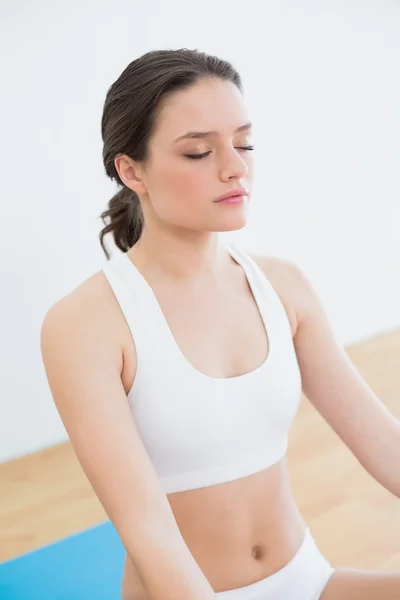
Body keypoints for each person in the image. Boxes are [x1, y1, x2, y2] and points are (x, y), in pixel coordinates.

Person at [40, 48, 400, 600]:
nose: (235, 167)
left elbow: (382, 443)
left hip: (309, 579)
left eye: (244, 143)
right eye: (199, 152)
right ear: (131, 170)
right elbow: (150, 536)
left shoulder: (284, 286)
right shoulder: (85, 325)